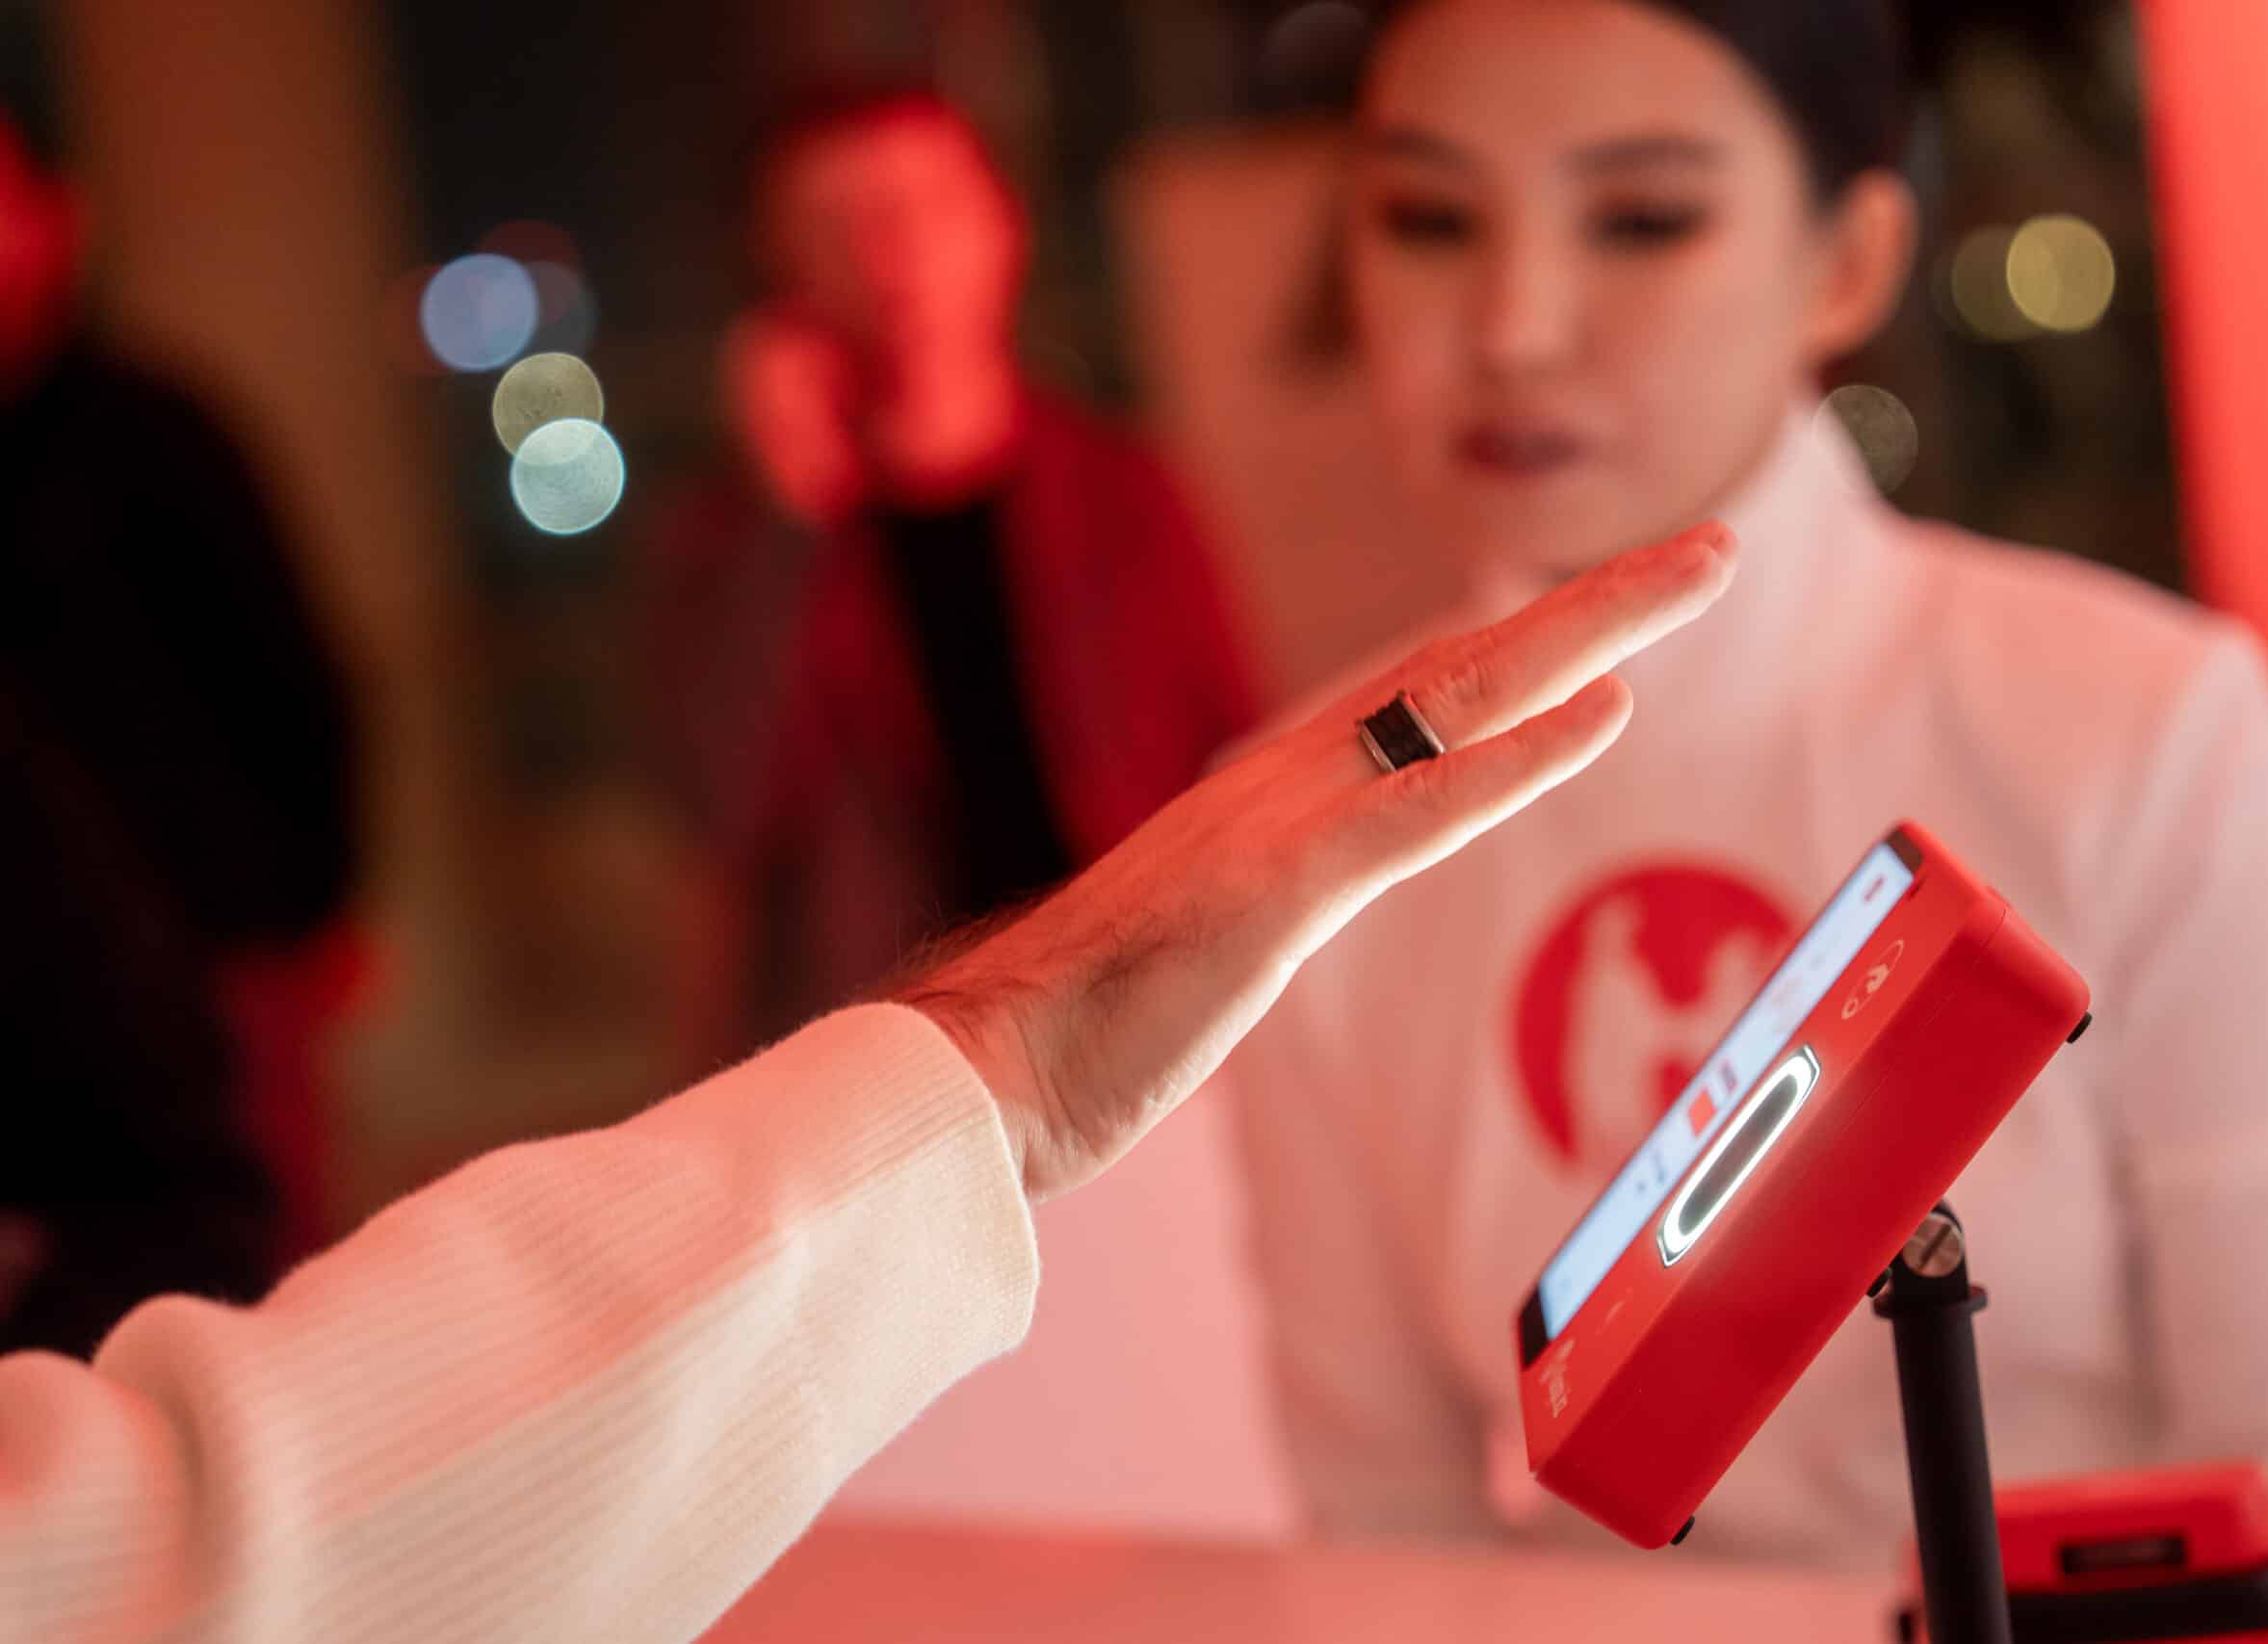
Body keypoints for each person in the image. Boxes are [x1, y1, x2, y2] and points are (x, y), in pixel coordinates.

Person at [1224, 0, 2268, 1610]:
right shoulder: (1299, 820)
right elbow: (1382, 1553)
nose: (1514, 325)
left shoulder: (2142, 727)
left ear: (1852, 259)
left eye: (1643, 218)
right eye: (1430, 217)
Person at [0, 526, 1735, 1644]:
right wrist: (1006, 1048)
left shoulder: (1104, 495)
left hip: (1004, 1100)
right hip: (888, 1113)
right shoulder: (760, 533)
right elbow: (185, 1551)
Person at [646, 85, 1258, 1057]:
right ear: (779, 269)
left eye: (927, 206)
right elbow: (721, 804)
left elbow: (1236, 753)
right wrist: (789, 523)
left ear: (1003, 226)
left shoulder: (1122, 488)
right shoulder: (738, 535)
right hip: (887, 1051)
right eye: (837, 222)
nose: (893, 253)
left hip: (1138, 1015)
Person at [0, 112, 359, 1348]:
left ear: (62, 221)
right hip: (44, 978)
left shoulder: (155, 430)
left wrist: (319, 908)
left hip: (219, 938)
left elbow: (289, 675)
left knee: (260, 1295)